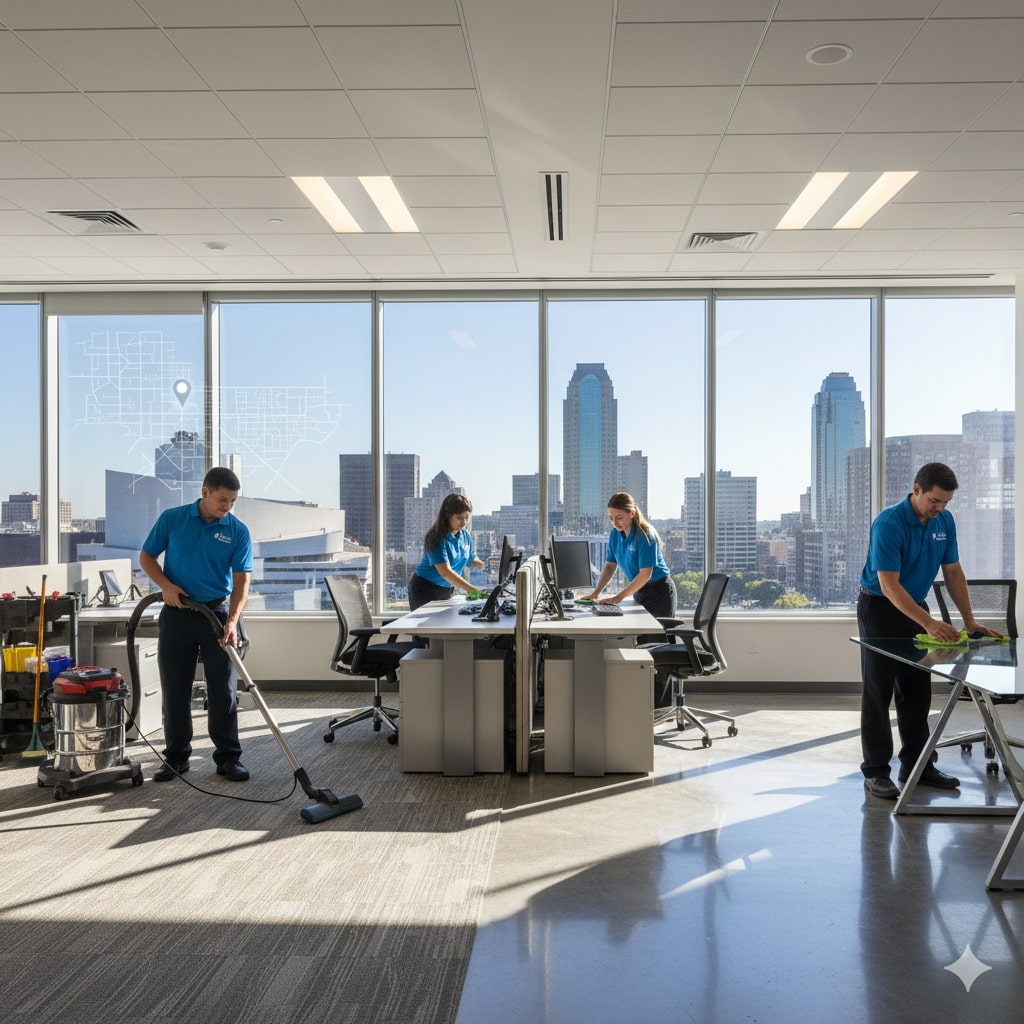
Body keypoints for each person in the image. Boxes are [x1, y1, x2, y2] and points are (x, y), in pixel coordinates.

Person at [857, 462, 1001, 800]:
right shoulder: (889, 524)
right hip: (880, 607)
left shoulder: (944, 522)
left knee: (917, 691)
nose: (939, 508)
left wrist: (969, 620)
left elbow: (953, 572)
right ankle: (876, 772)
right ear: (917, 489)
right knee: (878, 692)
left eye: (946, 502)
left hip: (916, 606)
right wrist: (929, 622)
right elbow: (889, 585)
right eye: (935, 501)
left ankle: (918, 766)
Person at [140, 466, 254, 783]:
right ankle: (176, 757)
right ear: (205, 492)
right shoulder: (172, 519)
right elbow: (147, 557)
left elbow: (242, 582)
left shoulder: (237, 530)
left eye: (232, 502)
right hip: (176, 614)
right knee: (175, 690)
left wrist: (232, 622)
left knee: (223, 691)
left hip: (216, 615)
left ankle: (228, 758)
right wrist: (166, 586)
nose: (227, 507)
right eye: (222, 500)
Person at [585, 492, 677, 639]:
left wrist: (617, 598)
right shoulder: (615, 534)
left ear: (632, 513)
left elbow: (645, 574)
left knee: (656, 641)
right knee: (642, 640)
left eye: (619, 517)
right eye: (611, 518)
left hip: (659, 591)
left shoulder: (645, 535)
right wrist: (596, 592)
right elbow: (610, 566)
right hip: (640, 590)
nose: (615, 522)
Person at [407, 492, 486, 611]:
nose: (464, 522)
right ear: (448, 515)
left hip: (446, 590)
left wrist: (482, 564)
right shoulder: (436, 538)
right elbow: (446, 572)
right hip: (424, 589)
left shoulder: (465, 534)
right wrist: (473, 591)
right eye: (459, 517)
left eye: (466, 517)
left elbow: (470, 558)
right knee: (428, 623)